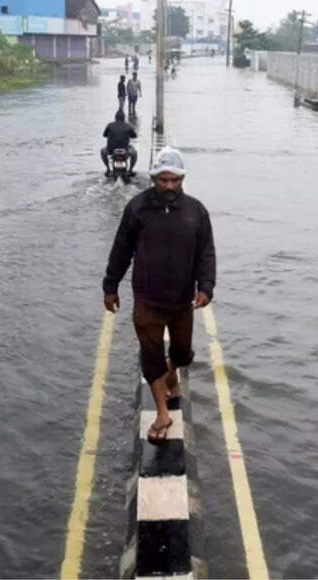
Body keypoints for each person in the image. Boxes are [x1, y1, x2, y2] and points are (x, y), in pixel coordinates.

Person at [102, 148, 216, 443]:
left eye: (173, 180)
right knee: (151, 354)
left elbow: (206, 252)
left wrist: (206, 286)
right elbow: (121, 250)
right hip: (147, 298)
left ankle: (174, 371)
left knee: (180, 350)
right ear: (153, 179)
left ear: (181, 179)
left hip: (181, 300)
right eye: (162, 180)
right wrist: (110, 286)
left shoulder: (196, 212)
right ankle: (162, 412)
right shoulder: (136, 209)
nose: (167, 186)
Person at [101, 110, 137, 176]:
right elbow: (134, 136)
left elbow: (104, 135)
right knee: (134, 153)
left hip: (111, 150)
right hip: (125, 149)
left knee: (102, 151)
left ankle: (108, 169)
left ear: (115, 117)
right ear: (124, 118)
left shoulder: (110, 125)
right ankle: (130, 170)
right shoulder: (128, 126)